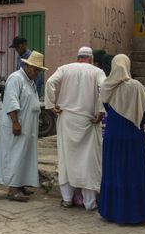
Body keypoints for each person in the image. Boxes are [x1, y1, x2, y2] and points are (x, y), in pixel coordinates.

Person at [44, 47, 106, 211]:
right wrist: (100, 111)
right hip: (88, 120)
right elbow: (104, 89)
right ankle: (89, 203)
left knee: (66, 159)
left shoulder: (65, 69)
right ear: (91, 59)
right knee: (88, 162)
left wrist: (51, 105)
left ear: (78, 57)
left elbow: (50, 82)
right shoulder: (97, 72)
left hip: (67, 119)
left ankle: (67, 199)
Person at [98, 54, 145, 224]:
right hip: (133, 136)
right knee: (133, 171)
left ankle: (112, 211)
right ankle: (136, 213)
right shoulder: (136, 86)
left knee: (114, 171)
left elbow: (106, 107)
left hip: (113, 136)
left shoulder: (107, 86)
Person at [0, 50, 46, 202]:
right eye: (35, 69)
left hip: (28, 127)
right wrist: (15, 122)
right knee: (15, 155)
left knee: (24, 156)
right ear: (26, 66)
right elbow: (11, 101)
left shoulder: (30, 81)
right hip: (17, 126)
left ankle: (20, 184)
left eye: (39, 70)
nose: (37, 73)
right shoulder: (16, 78)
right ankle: (13, 189)